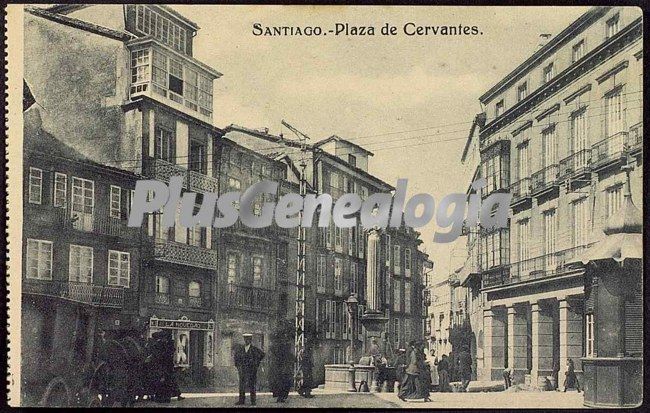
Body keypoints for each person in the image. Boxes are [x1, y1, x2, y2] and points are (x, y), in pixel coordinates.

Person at [234, 333, 265, 406]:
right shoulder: (241, 349)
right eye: (245, 339)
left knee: (252, 385)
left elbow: (262, 355)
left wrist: (256, 364)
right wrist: (238, 366)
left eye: (248, 339)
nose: (247, 340)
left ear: (250, 340)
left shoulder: (254, 349)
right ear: (244, 340)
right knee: (242, 385)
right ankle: (241, 401)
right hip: (243, 370)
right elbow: (236, 357)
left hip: (252, 370)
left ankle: (253, 401)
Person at [269, 328, 293, 403]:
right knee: (282, 382)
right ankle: (281, 396)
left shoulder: (281, 346)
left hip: (281, 368)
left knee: (282, 382)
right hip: (281, 368)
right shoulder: (282, 346)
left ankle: (281, 396)